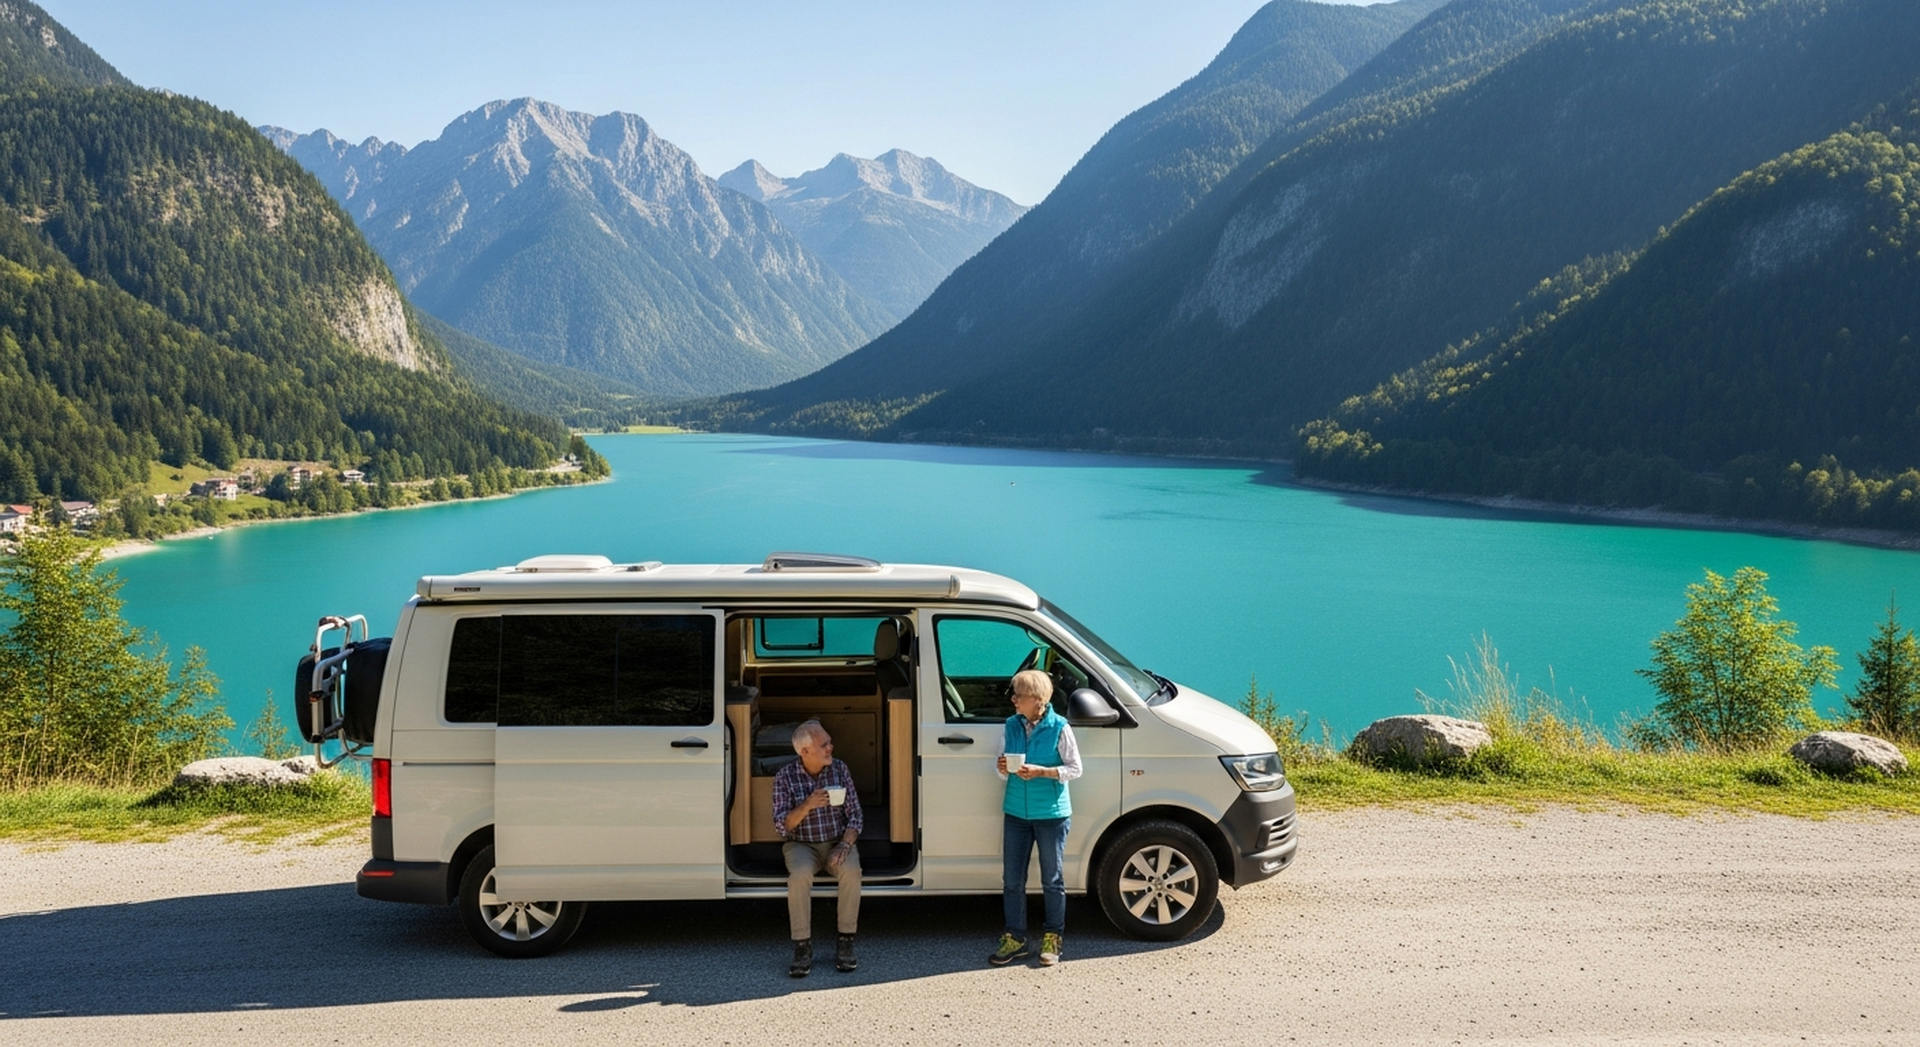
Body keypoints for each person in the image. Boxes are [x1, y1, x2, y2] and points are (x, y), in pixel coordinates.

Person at [989, 669, 1081, 967]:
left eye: (1020, 696)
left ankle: (1053, 936)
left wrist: (1043, 772)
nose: (1014, 700)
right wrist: (1002, 768)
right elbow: (1000, 770)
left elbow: (1075, 769)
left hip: (1051, 814)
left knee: (1052, 880)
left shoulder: (1060, 727)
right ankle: (1015, 937)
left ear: (1039, 700)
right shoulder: (1011, 725)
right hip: (1016, 811)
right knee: (1012, 880)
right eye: (1014, 694)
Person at [771, 719, 863, 976]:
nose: (831, 748)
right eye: (824, 745)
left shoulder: (840, 770)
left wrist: (844, 844)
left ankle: (846, 941)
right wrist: (807, 805)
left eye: (829, 742)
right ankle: (802, 945)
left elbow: (856, 815)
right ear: (805, 752)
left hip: (837, 840)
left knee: (852, 872)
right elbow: (782, 827)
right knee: (799, 876)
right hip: (801, 844)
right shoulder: (785, 777)